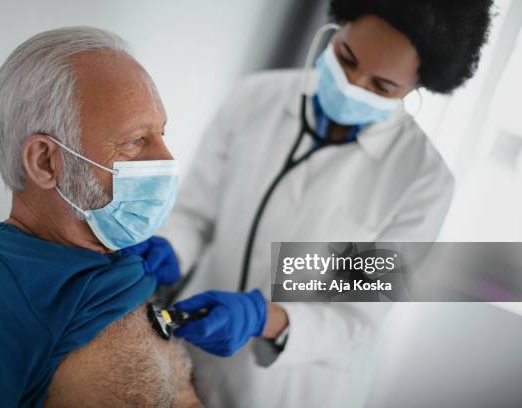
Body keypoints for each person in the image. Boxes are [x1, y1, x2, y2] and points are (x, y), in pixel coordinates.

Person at [129, 1, 494, 406]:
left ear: (417, 87)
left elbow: (354, 319)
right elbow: (195, 214)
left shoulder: (422, 180)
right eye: (346, 58)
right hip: (189, 355)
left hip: (292, 390)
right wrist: (170, 247)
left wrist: (262, 318)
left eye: (381, 86)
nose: (353, 84)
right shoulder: (255, 99)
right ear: (337, 28)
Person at [0, 27, 201, 407]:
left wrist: (272, 318)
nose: (166, 159)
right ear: (46, 161)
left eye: (161, 134)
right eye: (135, 140)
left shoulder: (115, 255)